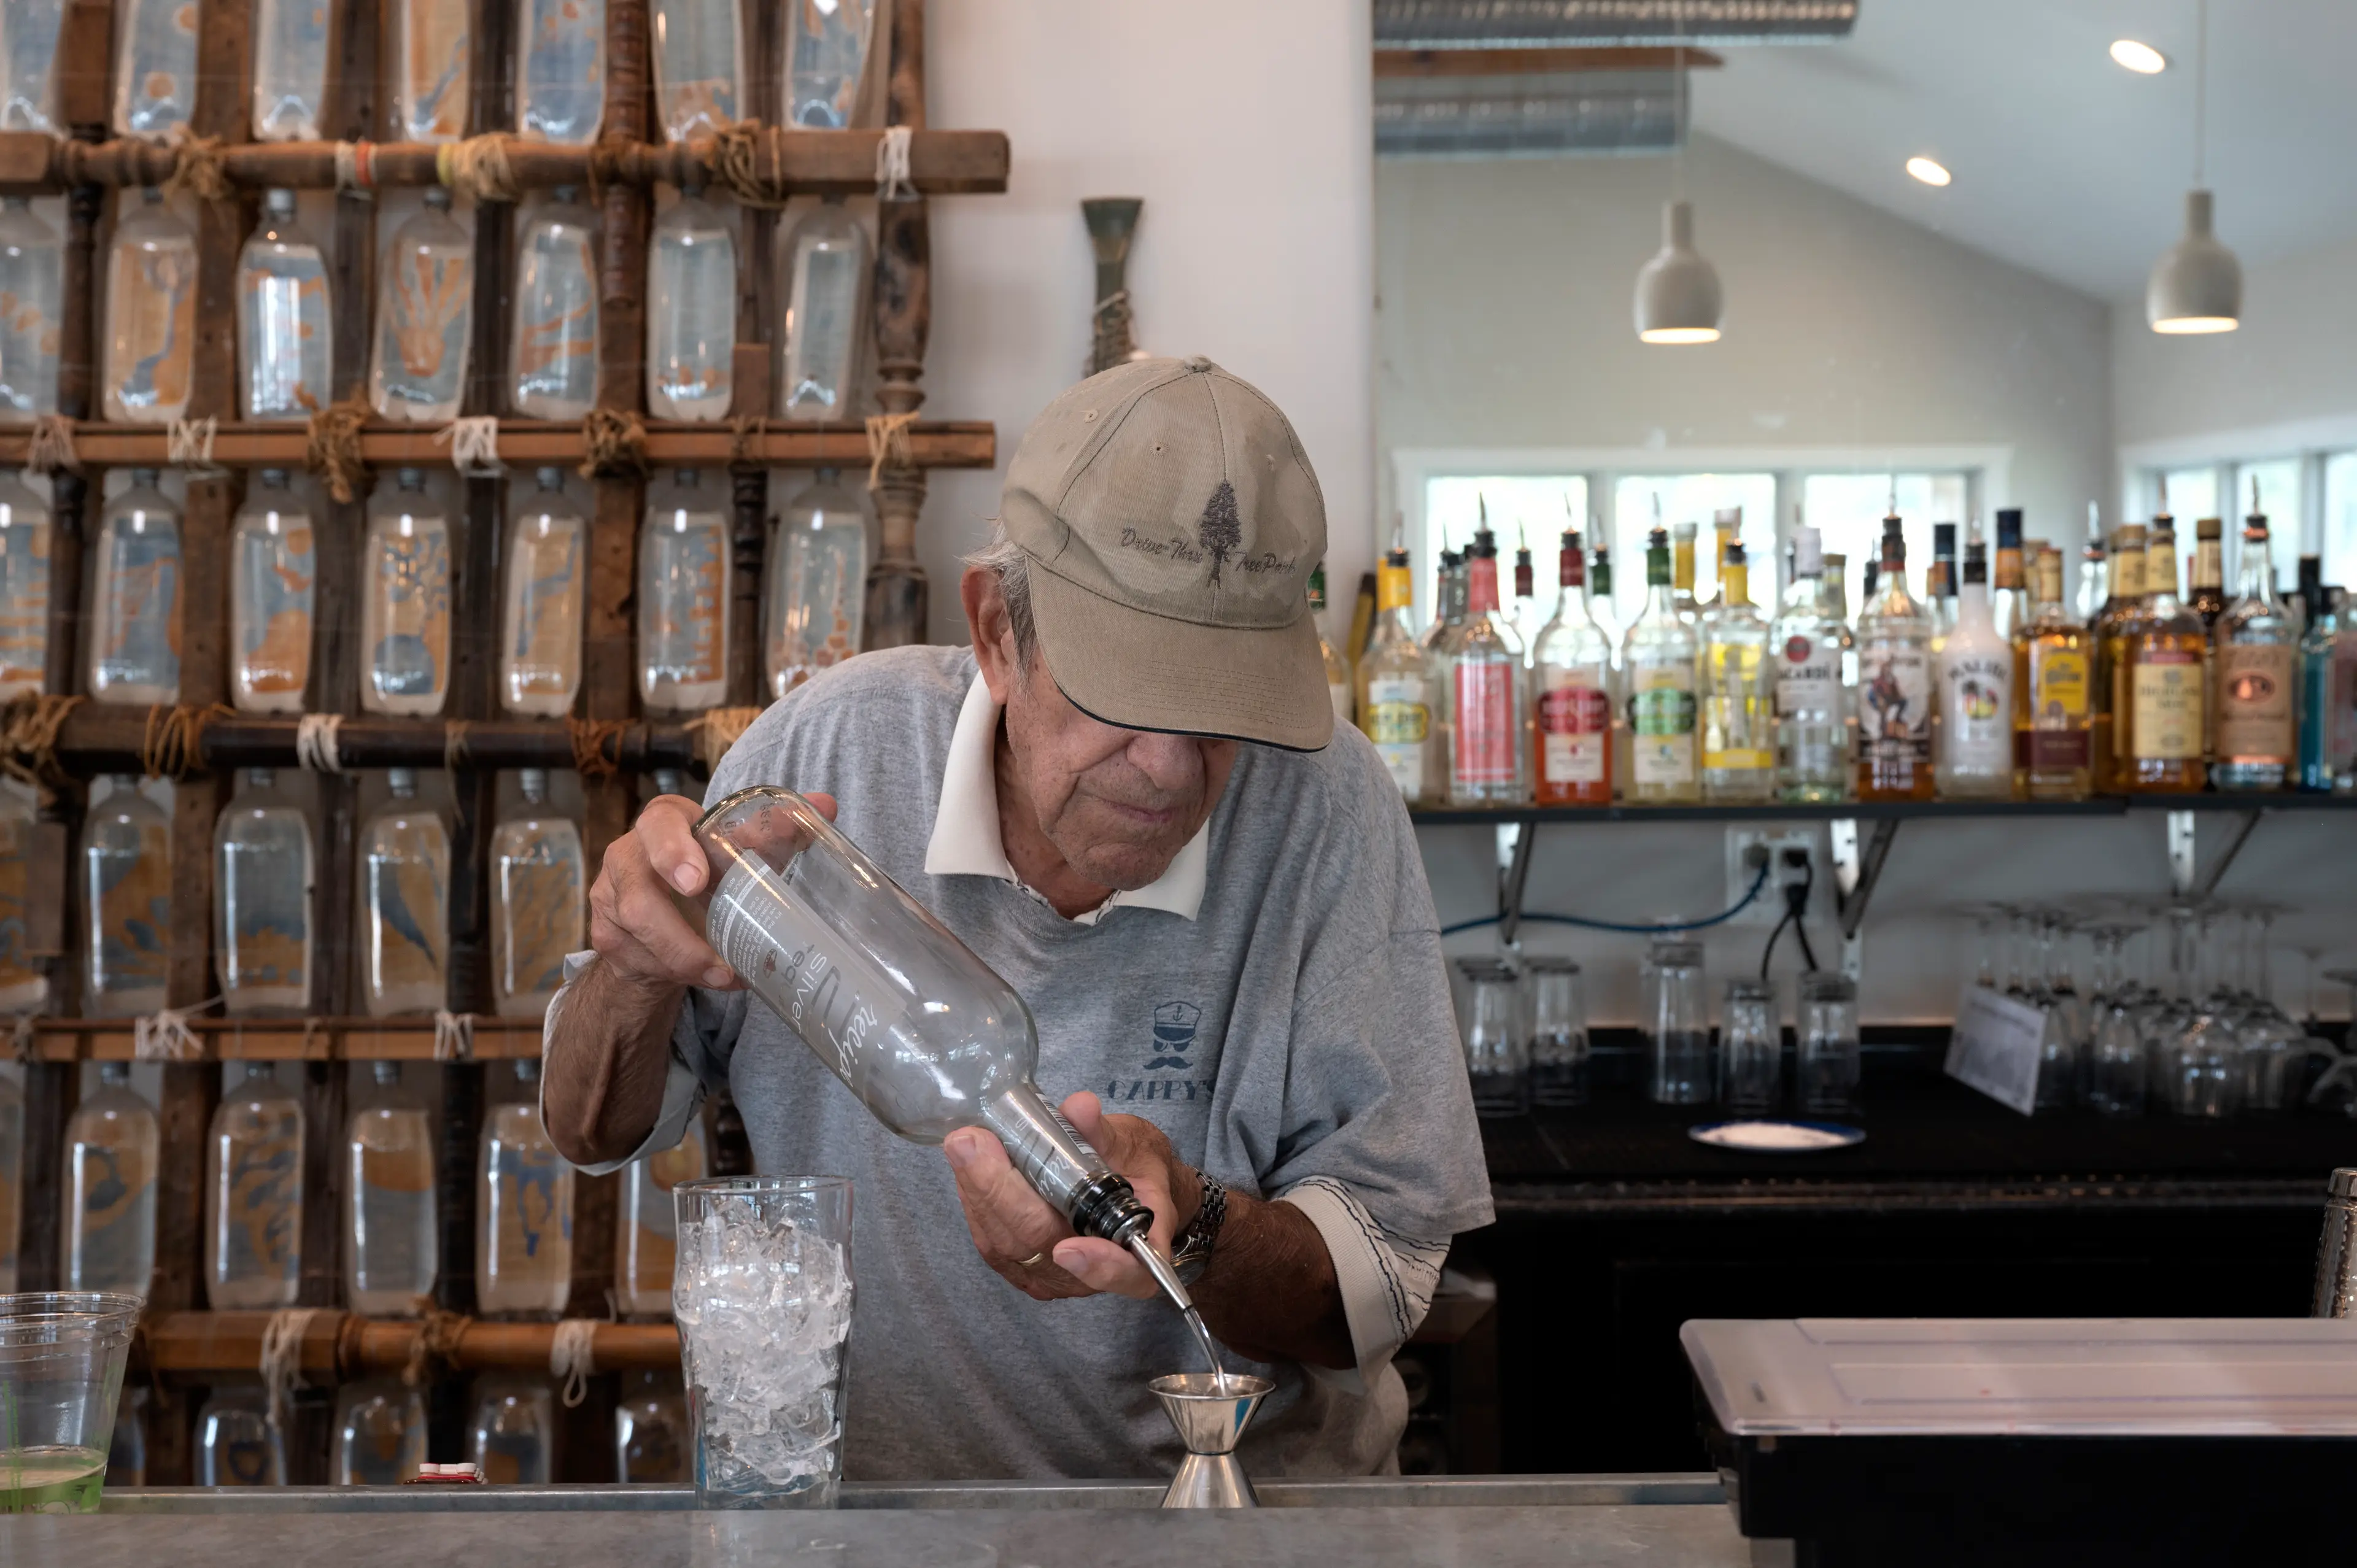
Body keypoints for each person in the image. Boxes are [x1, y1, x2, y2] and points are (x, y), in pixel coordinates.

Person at [543, 355, 1491, 1480]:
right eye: (1126, 697)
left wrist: (1188, 1225)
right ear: (998, 631)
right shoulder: (825, 759)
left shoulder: (1328, 802)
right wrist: (633, 970)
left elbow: (1380, 1292)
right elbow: (588, 1129)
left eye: (1223, 713)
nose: (1171, 770)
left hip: (1242, 1531)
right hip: (885, 1538)